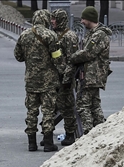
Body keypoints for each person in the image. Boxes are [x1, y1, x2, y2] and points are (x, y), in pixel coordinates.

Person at [14, 9, 63, 152]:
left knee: (31, 111)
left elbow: (18, 56)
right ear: (46, 20)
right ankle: (48, 142)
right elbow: (57, 58)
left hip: (31, 80)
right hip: (48, 81)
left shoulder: (24, 35)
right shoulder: (51, 36)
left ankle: (31, 143)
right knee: (48, 111)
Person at [70, 6, 111, 135]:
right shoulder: (93, 33)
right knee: (94, 106)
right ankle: (101, 133)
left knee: (83, 105)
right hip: (92, 76)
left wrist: (72, 57)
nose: (81, 21)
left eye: (83, 19)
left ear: (89, 19)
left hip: (91, 76)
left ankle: (88, 134)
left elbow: (88, 53)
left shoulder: (99, 35)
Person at [52, 9, 80, 146]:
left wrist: (67, 79)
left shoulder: (70, 36)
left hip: (65, 78)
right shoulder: (54, 35)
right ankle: (47, 134)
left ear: (61, 20)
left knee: (67, 107)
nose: (52, 21)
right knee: (52, 106)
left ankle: (70, 134)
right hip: (54, 78)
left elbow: (72, 60)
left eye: (54, 19)